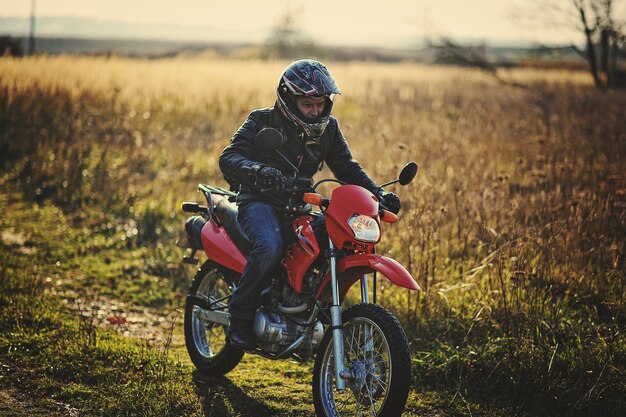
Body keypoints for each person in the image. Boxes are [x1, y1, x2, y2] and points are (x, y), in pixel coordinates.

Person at [218, 59, 400, 349]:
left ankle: (309, 312)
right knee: (270, 246)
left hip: (300, 204)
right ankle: (239, 319)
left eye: (321, 103)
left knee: (333, 243)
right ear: (289, 100)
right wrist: (261, 172)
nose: (316, 110)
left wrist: (377, 192)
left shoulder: (329, 128)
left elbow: (347, 168)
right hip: (259, 201)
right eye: (307, 104)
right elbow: (229, 158)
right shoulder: (261, 121)